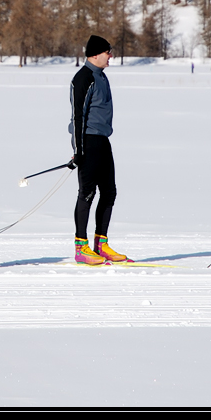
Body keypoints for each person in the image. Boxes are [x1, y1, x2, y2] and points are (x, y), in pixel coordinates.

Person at [68, 35, 131, 265]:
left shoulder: (102, 78)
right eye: (107, 52)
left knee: (109, 192)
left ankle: (101, 244)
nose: (110, 56)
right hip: (88, 140)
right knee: (87, 192)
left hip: (103, 141)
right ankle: (81, 246)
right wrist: (79, 149)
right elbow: (77, 116)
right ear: (95, 54)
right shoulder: (83, 78)